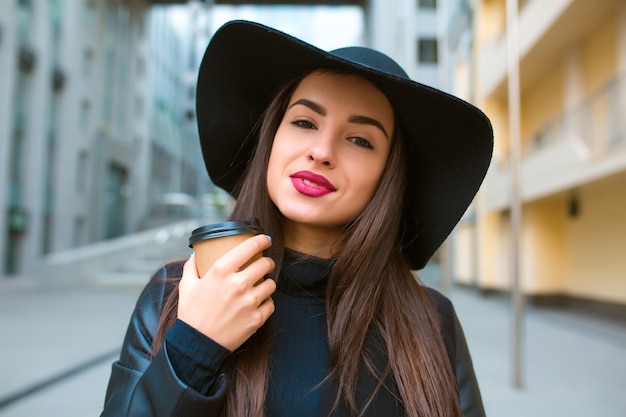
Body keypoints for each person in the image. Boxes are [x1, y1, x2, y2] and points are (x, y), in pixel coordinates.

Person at [100, 20, 493, 417]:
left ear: (388, 176)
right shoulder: (177, 294)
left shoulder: (430, 321)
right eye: (304, 122)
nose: (322, 151)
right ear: (271, 138)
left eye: (360, 140)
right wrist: (194, 347)